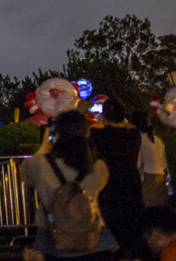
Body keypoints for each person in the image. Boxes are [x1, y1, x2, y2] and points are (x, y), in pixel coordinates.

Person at [21, 110, 118, 260]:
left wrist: (45, 145)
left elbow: (24, 173)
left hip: (52, 239)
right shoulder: (98, 167)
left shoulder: (40, 165)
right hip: (94, 238)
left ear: (57, 134)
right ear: (86, 134)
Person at [91, 100, 147, 258]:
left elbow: (86, 131)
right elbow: (131, 127)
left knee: (113, 237)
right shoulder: (133, 136)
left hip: (108, 191)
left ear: (104, 117)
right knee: (134, 235)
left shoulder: (97, 135)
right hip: (131, 189)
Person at [132, 110, 168, 208]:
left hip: (148, 183)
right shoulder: (157, 141)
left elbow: (137, 166)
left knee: (148, 216)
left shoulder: (138, 140)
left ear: (134, 125)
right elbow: (164, 165)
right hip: (161, 183)